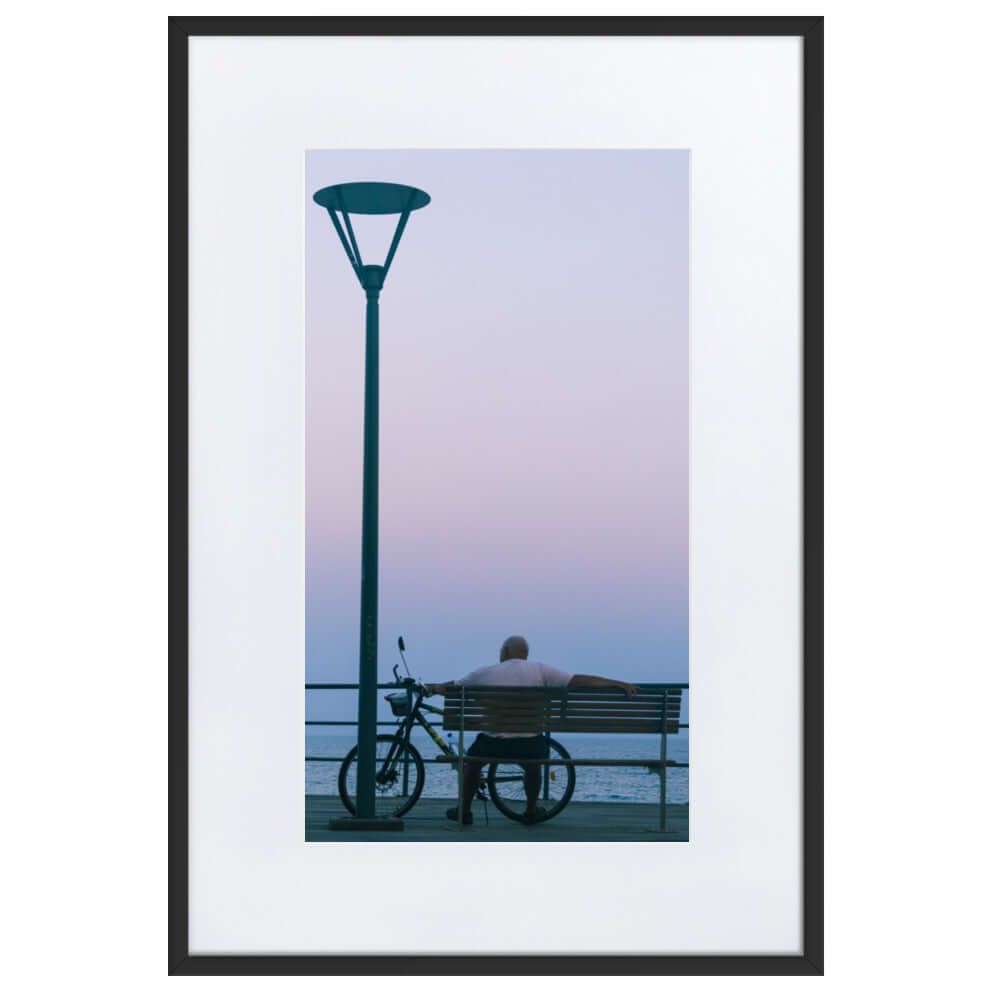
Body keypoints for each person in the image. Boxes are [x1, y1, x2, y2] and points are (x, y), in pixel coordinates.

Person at [423, 635, 639, 825]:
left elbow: (452, 686)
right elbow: (578, 680)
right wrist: (617, 683)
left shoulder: (485, 672)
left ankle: (465, 811)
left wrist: (432, 689)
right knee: (534, 763)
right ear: (525, 654)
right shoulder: (541, 670)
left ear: (506, 651)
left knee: (472, 763)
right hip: (529, 745)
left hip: (493, 743)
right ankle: (530, 810)